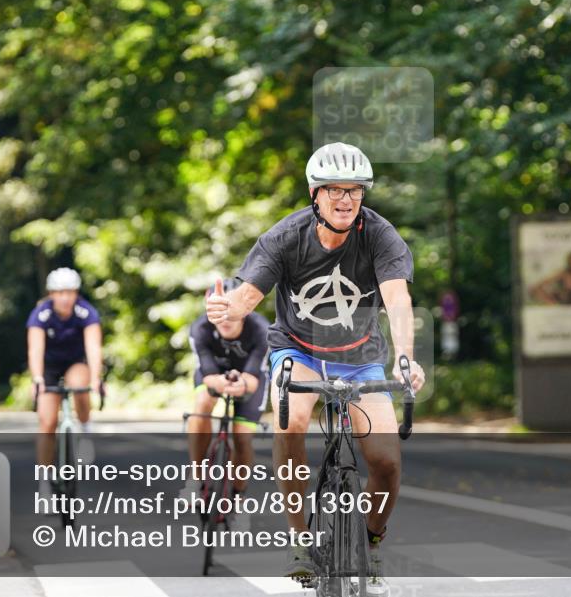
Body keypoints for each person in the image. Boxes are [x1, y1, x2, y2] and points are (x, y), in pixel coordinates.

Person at [206, 142, 425, 596]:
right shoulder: (286, 237)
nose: (345, 200)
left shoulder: (381, 236)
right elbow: (249, 295)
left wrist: (405, 357)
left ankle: (371, 540)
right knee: (293, 423)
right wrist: (227, 307)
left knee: (385, 461)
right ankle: (300, 540)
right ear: (314, 193)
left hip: (361, 357)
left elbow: (398, 300)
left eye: (355, 191)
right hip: (298, 350)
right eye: (334, 191)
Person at [181, 278, 270, 529]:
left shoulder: (261, 329)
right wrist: (221, 383)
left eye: (231, 311)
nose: (225, 319)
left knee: (242, 437)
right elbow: (207, 373)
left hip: (250, 378)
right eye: (218, 311)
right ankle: (196, 477)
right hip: (214, 374)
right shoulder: (199, 329)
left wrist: (241, 385)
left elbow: (253, 380)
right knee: (203, 401)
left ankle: (238, 499)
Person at [26, 267, 103, 495]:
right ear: (51, 294)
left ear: (76, 293)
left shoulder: (85, 312)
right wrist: (37, 379)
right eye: (60, 293)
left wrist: (96, 378)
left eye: (70, 292)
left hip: (75, 362)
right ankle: (44, 484)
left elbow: (93, 347)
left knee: (80, 386)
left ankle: (86, 430)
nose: (65, 298)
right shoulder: (40, 315)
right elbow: (35, 350)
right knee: (47, 423)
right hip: (48, 366)